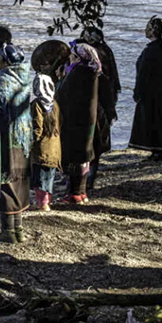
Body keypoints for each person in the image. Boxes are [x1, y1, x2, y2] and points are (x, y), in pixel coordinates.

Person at [0, 43, 33, 242]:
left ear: (4, 61)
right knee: (19, 181)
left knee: (5, 180)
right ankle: (17, 229)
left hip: (6, 138)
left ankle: (7, 231)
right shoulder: (23, 77)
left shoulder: (3, 81)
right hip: (22, 137)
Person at [56, 42, 101, 203]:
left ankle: (74, 193)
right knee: (84, 153)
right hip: (88, 119)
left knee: (74, 153)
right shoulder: (92, 72)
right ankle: (81, 192)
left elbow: (63, 95)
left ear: (79, 57)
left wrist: (61, 79)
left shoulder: (78, 72)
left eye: (72, 55)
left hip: (76, 119)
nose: (70, 58)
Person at [77, 23, 121, 185]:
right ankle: (89, 177)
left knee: (88, 142)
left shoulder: (92, 57)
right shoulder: (106, 51)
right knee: (96, 141)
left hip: (95, 104)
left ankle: (86, 180)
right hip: (105, 103)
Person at [128, 16, 162, 161]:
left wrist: (137, 92)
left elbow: (143, 74)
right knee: (158, 119)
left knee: (152, 120)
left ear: (153, 31)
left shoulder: (152, 51)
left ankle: (157, 151)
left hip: (151, 92)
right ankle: (157, 150)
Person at [29, 72, 61, 211]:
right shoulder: (54, 104)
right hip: (54, 147)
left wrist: (30, 143)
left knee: (40, 178)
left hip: (42, 149)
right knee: (49, 177)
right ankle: (47, 201)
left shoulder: (37, 104)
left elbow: (37, 127)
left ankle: (42, 204)